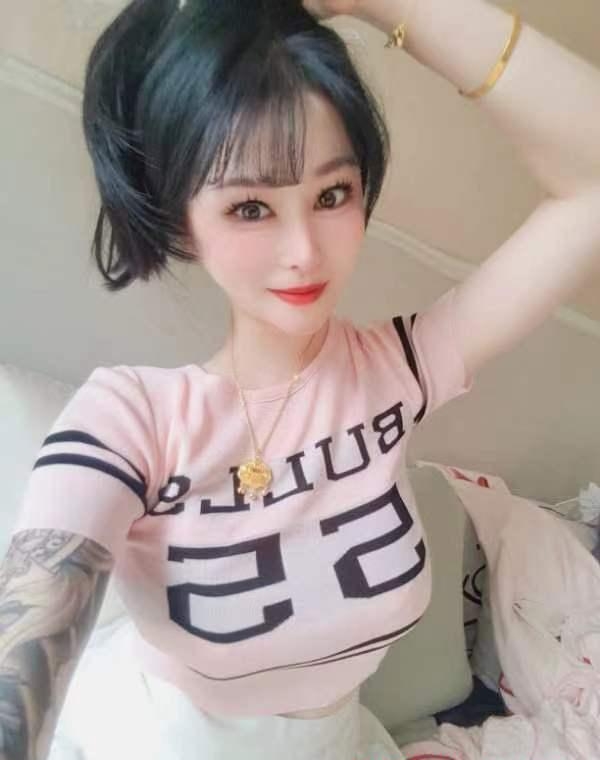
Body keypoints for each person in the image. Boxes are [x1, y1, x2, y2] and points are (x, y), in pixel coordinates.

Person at [1, 0, 599, 758]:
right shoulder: (130, 422)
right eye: (251, 207)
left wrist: (390, 5)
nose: (304, 252)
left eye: (331, 195)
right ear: (184, 220)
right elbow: (24, 654)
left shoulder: (400, 371)